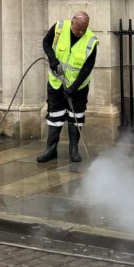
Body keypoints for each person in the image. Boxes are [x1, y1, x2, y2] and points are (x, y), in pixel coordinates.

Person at [37, 11, 97, 163]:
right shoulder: (59, 28)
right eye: (78, 29)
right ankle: (51, 150)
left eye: (84, 29)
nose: (81, 32)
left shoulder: (91, 40)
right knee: (55, 116)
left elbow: (87, 68)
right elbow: (46, 43)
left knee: (75, 117)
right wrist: (52, 60)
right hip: (56, 82)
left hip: (79, 87)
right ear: (72, 22)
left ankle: (74, 150)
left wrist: (74, 87)